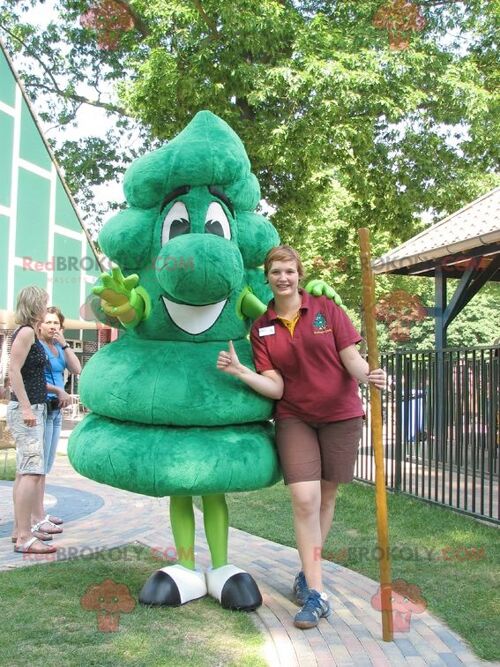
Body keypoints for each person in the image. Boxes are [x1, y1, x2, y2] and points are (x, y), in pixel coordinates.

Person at [217, 245, 386, 629]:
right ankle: (316, 594)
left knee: (326, 497)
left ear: (299, 274)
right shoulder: (261, 326)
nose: (283, 278)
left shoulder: (327, 310)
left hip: (341, 416)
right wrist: (242, 372)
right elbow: (275, 388)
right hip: (295, 417)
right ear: (267, 277)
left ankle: (308, 573)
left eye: (290, 271)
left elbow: (351, 359)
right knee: (304, 498)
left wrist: (370, 375)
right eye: (276, 271)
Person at [8, 287, 68, 554]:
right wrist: (26, 408)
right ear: (35, 306)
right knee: (31, 472)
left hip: (34, 406)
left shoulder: (27, 331)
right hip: (28, 408)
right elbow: (13, 370)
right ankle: (23, 537)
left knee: (25, 472)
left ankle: (20, 531)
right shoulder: (27, 332)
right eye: (44, 304)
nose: (47, 308)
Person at [34, 306, 81, 530]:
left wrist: (64, 343)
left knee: (46, 465)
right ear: (39, 324)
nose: (53, 326)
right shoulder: (36, 346)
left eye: (56, 323)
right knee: (37, 467)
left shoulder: (58, 347)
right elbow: (30, 380)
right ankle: (35, 516)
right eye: (49, 322)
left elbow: (77, 368)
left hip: (56, 411)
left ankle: (40, 512)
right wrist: (58, 390)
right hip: (41, 407)